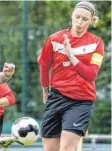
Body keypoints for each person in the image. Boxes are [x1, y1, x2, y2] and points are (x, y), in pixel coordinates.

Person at [37, 1, 104, 151]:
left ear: (92, 21)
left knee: (66, 148)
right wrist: (45, 91)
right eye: (77, 17)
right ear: (71, 16)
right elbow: (44, 65)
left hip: (81, 102)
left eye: (85, 19)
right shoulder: (54, 39)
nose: (79, 22)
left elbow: (90, 75)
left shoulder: (96, 43)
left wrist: (71, 55)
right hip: (56, 97)